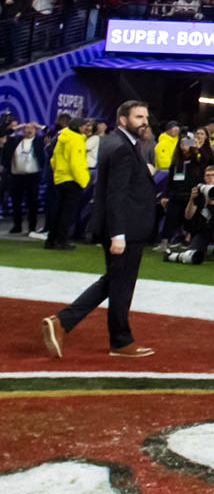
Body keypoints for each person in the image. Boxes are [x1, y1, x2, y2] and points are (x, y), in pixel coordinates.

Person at [42, 99, 160, 360]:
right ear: (123, 119)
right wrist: (118, 234)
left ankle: (64, 323)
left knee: (114, 282)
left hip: (124, 228)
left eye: (146, 117)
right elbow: (115, 193)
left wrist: (144, 172)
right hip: (125, 229)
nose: (145, 122)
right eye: (139, 117)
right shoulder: (121, 147)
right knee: (121, 284)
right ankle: (115, 339)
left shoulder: (116, 142)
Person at [165, 164, 214, 264]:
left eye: (213, 175)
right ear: (204, 177)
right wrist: (192, 199)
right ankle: (173, 255)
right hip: (202, 229)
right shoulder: (199, 192)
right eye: (208, 175)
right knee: (194, 255)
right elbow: (188, 216)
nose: (210, 178)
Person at [46, 115, 88, 250]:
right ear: (79, 127)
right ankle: (62, 241)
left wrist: (58, 173)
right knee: (67, 213)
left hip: (59, 178)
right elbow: (76, 163)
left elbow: (53, 159)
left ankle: (51, 240)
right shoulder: (76, 140)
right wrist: (83, 181)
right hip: (72, 180)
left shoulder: (62, 138)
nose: (86, 129)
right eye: (84, 127)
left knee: (58, 211)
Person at [5, 120, 45, 234]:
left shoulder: (38, 141)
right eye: (26, 128)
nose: (29, 130)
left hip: (32, 176)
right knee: (16, 202)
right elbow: (4, 134)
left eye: (32, 128)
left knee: (32, 202)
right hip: (17, 176)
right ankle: (17, 225)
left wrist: (40, 126)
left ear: (35, 130)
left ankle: (32, 226)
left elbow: (52, 133)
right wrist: (16, 127)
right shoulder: (16, 141)